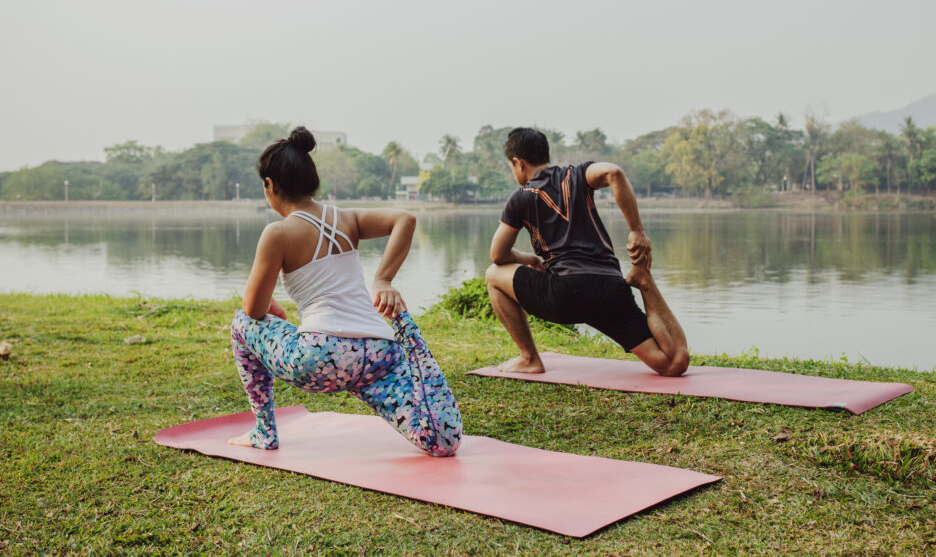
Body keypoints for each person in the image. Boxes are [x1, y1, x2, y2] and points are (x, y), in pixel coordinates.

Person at [228, 127, 462, 456]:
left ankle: (264, 432)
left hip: (322, 356)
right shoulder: (346, 218)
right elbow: (404, 220)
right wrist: (383, 279)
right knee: (439, 443)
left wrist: (269, 305)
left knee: (240, 324)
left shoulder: (277, 233)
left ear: (270, 185)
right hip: (379, 354)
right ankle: (438, 438)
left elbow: (253, 311)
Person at [485, 127, 690, 377]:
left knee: (493, 275)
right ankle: (645, 282)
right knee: (674, 363)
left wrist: (529, 259)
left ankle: (529, 358)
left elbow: (498, 255)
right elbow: (614, 172)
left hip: (565, 294)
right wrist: (636, 231)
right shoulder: (578, 174)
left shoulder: (522, 196)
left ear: (518, 163)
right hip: (610, 290)